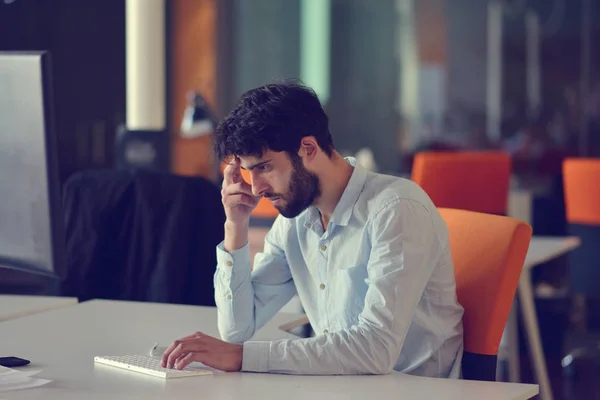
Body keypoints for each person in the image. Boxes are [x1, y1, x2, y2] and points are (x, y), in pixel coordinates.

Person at [161, 81, 464, 377]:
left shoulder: (396, 209)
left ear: (308, 148)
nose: (256, 188)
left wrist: (243, 357)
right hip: (343, 386)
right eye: (247, 171)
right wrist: (235, 223)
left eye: (264, 167)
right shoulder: (295, 223)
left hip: (415, 390)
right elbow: (237, 328)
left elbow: (376, 348)